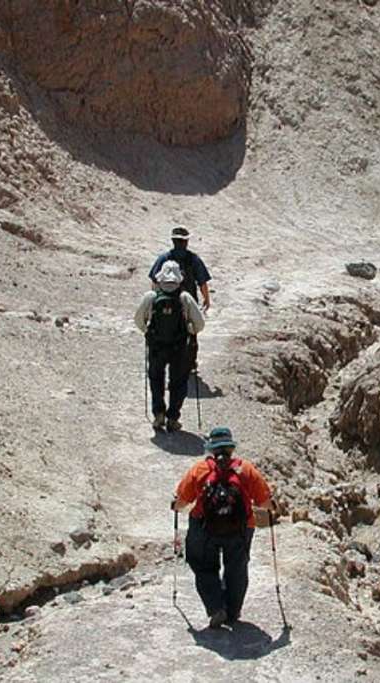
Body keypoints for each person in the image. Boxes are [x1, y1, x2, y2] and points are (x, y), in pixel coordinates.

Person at [173, 427, 275, 628]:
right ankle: (233, 611)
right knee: (237, 568)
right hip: (241, 527)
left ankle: (216, 607)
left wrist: (174, 505)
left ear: (211, 449)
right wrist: (273, 506)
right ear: (231, 448)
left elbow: (182, 502)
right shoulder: (245, 470)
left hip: (204, 527)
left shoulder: (200, 470)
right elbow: (264, 502)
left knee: (203, 566)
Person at [135, 261, 205, 431]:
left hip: (157, 346)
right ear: (179, 279)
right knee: (178, 382)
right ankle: (173, 418)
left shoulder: (151, 297)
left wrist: (147, 331)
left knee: (156, 379)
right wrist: (190, 330)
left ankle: (158, 413)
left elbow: (138, 320)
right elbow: (200, 324)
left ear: (160, 278)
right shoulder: (185, 298)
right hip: (179, 348)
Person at [148, 226, 212, 312]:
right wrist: (206, 299)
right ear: (186, 242)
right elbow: (202, 283)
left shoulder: (163, 258)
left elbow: (154, 282)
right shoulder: (194, 259)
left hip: (165, 305)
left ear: (173, 241)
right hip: (189, 304)